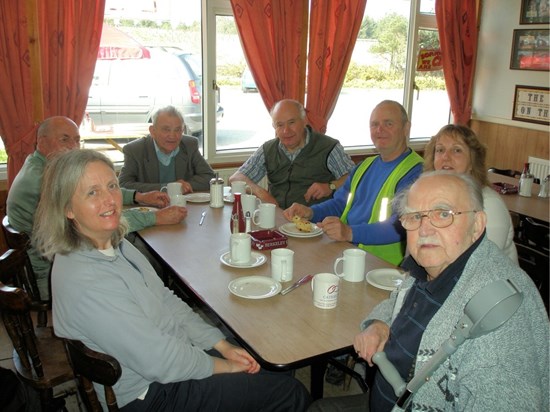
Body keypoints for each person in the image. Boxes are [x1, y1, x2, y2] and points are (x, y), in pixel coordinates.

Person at [32, 149, 311, 411]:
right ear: (68, 209)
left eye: (112, 186)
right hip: (149, 394)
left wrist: (220, 345)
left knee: (255, 347)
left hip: (165, 361)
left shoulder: (113, 243)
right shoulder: (88, 281)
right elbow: (159, 361)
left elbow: (165, 298)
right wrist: (224, 366)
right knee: (289, 391)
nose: (109, 200)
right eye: (92, 192)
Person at [309, 172, 549, 412]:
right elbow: (398, 299)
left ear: (477, 224)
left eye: (443, 214)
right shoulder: (434, 264)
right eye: (414, 216)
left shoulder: (498, 317)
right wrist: (380, 323)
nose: (424, 230)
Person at [6, 116, 186, 300]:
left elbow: (93, 186)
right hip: (55, 272)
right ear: (41, 141)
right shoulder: (43, 180)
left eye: (77, 139)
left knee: (136, 245)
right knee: (140, 252)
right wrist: (155, 217)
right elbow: (98, 223)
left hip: (60, 255)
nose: (73, 146)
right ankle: (160, 297)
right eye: (64, 139)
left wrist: (138, 196)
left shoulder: (39, 164)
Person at [284, 100, 423, 266]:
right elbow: (340, 204)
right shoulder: (364, 166)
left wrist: (350, 232)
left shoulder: (417, 172)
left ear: (406, 128)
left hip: (383, 266)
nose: (380, 130)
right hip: (346, 252)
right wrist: (310, 212)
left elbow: (400, 226)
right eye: (374, 124)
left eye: (389, 123)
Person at [229, 99, 355, 209]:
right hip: (278, 220)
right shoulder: (268, 149)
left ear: (304, 120)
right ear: (274, 127)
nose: (286, 131)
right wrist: (262, 194)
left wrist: (331, 186)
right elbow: (236, 178)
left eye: (292, 122)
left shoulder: (328, 147)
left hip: (315, 223)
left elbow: (356, 178)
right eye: (280, 125)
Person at [423, 124, 518, 264]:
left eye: (457, 150)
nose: (445, 157)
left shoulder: (489, 204)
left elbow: (481, 265)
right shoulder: (429, 197)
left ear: (473, 161)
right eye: (440, 150)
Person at [118, 105, 215, 193]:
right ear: (152, 131)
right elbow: (123, 186)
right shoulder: (135, 150)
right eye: (166, 129)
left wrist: (186, 185)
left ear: (183, 130)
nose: (172, 136)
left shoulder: (189, 145)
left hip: (184, 206)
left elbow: (210, 178)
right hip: (150, 208)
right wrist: (168, 187)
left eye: (177, 130)